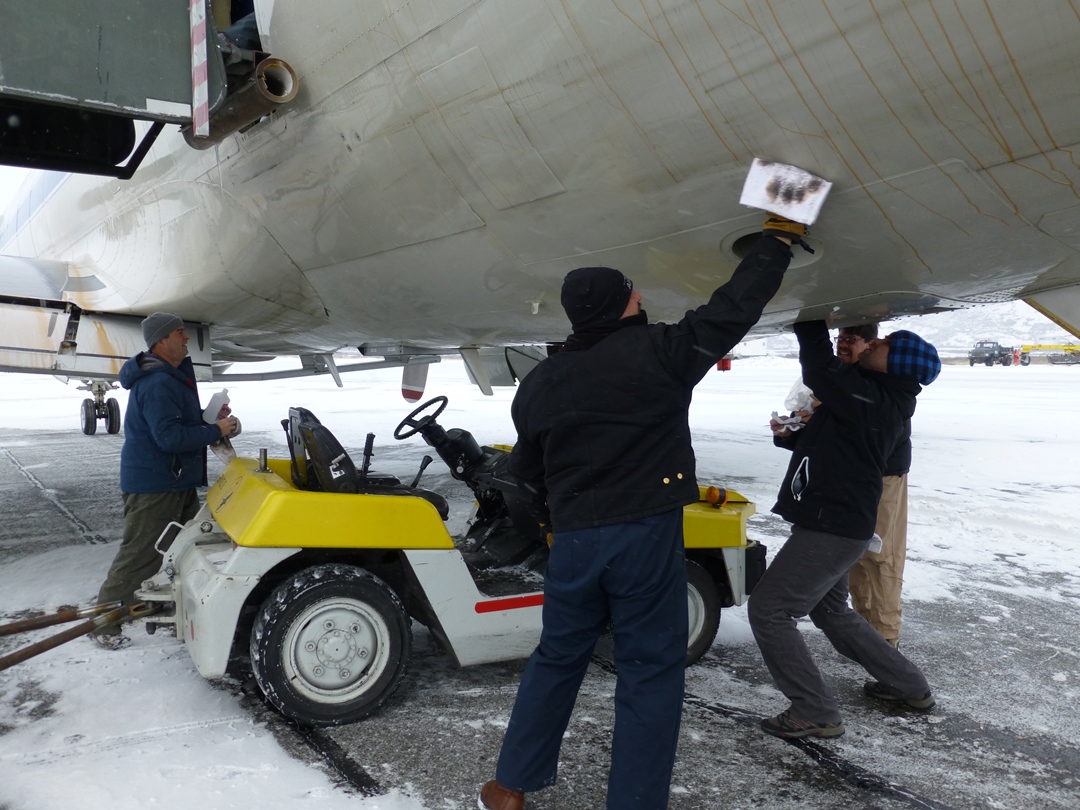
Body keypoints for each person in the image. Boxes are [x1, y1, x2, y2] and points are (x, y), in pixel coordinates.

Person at [478, 213, 807, 810]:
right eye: (634, 291)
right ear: (624, 302)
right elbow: (734, 308)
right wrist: (777, 241)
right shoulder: (661, 352)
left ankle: (510, 787)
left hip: (575, 541)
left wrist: (555, 522)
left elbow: (525, 471)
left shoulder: (541, 382)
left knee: (556, 658)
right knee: (649, 672)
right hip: (645, 536)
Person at [749, 323, 940, 739]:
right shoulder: (870, 395)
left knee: (769, 609)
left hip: (832, 526)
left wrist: (810, 319)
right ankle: (910, 686)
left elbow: (819, 369)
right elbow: (839, 441)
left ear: (898, 363)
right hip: (837, 521)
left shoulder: (876, 398)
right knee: (830, 609)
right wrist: (790, 438)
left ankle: (814, 710)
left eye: (883, 344)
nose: (874, 343)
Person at [92, 312, 238, 649]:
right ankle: (104, 622)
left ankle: (156, 605)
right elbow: (169, 438)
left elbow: (178, 424)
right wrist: (215, 431)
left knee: (181, 549)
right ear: (161, 341)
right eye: (179, 333)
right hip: (155, 485)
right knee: (140, 553)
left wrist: (209, 420)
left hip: (174, 480)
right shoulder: (157, 382)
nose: (187, 339)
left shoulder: (171, 375)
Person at [773, 323, 913, 647]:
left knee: (878, 562)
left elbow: (864, 434)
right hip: (851, 478)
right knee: (851, 563)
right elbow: (834, 436)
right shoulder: (847, 379)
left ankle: (884, 644)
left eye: (851, 341)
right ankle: (869, 643)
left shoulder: (873, 386)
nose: (842, 347)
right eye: (840, 339)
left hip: (882, 478)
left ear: (868, 346)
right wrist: (792, 432)